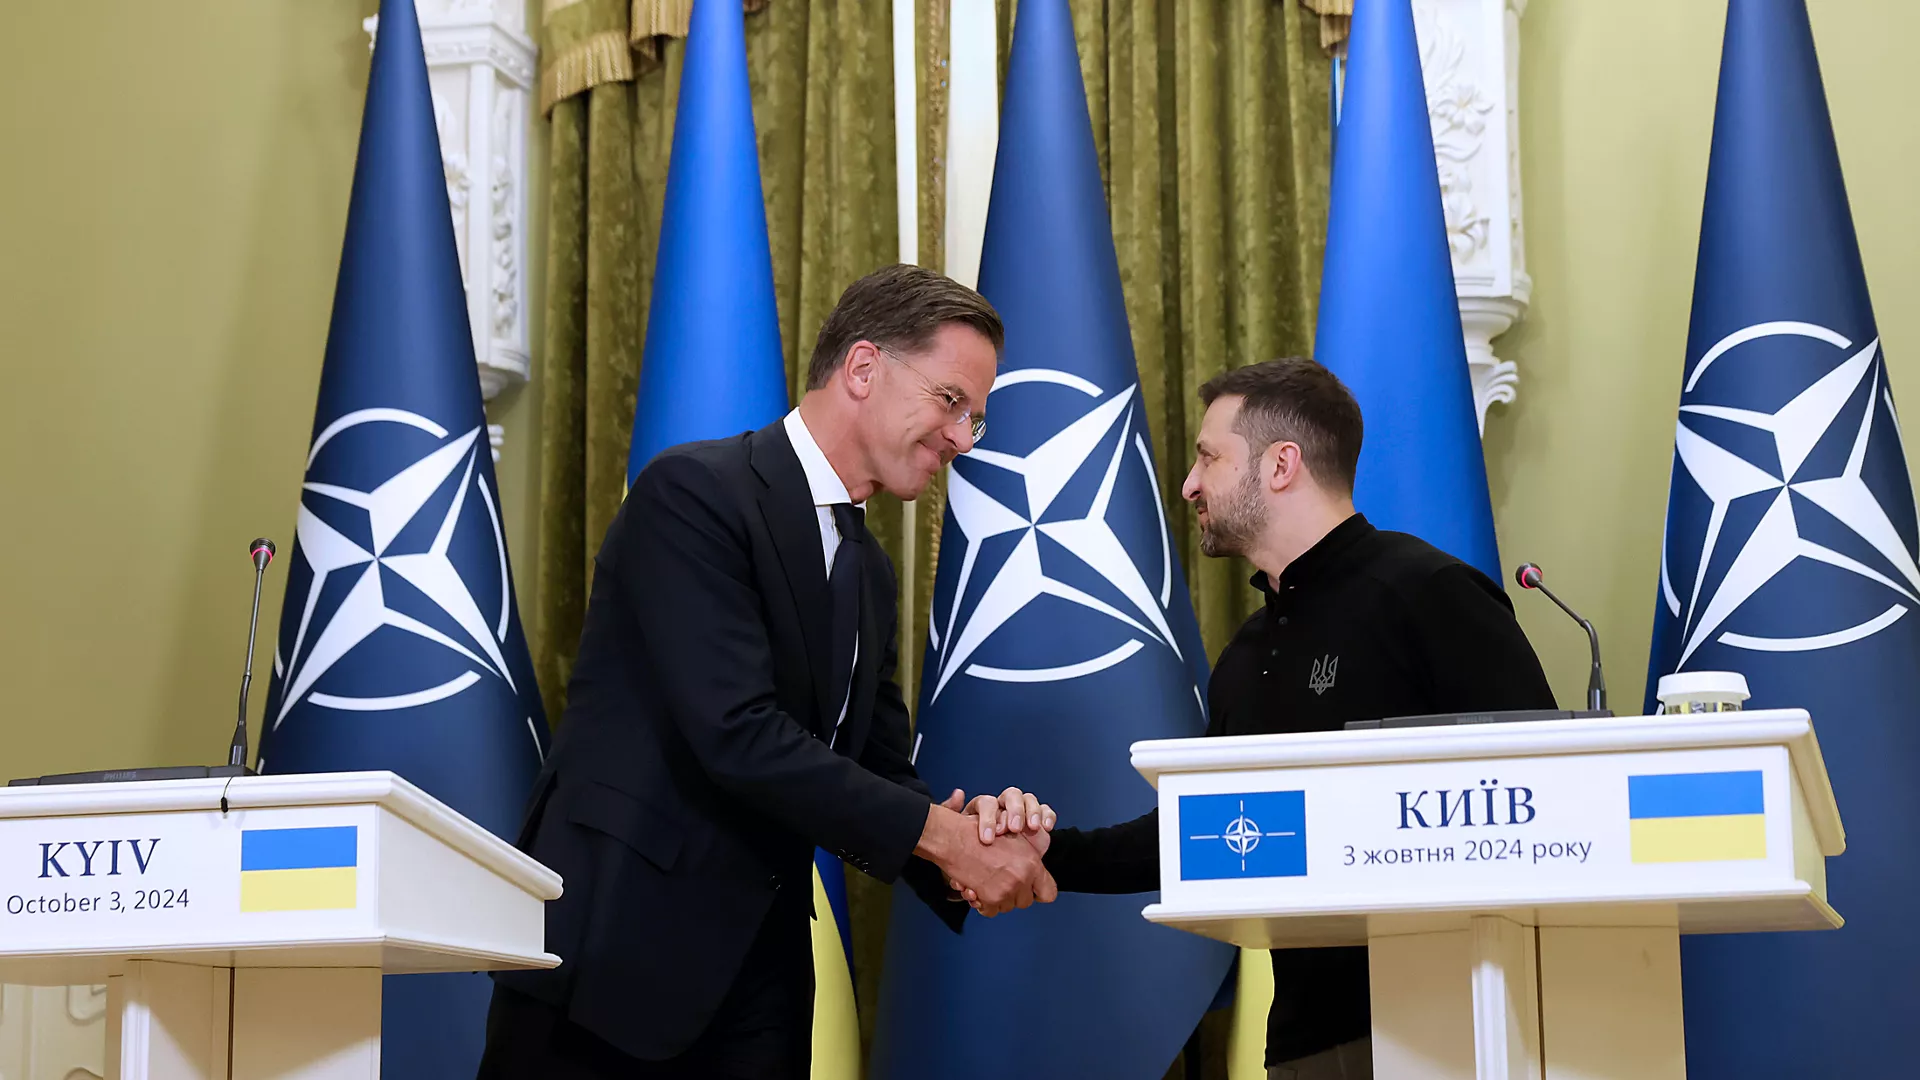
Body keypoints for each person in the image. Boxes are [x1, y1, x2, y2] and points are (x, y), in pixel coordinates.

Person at [478, 265, 1057, 1080]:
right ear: (863, 368)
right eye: (951, 401)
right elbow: (738, 733)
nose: (962, 439)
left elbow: (877, 770)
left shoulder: (870, 572)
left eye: (975, 418)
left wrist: (980, 833)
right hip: (612, 972)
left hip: (761, 988)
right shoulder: (694, 495)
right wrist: (944, 839)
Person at [962, 356, 1556, 1080]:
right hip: (1304, 1042)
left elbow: (1543, 797)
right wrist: (1041, 850)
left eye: (1209, 458)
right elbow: (1205, 832)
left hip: (1457, 1025)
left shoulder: (1430, 595)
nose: (1189, 484)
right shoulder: (1246, 653)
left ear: (1281, 465)